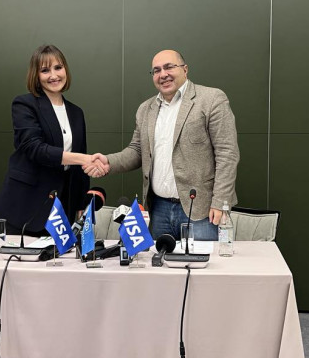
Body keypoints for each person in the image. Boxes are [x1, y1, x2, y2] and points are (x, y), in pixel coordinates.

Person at [87, 49, 239, 240]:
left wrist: (220, 202)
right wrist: (108, 162)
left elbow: (227, 153)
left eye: (169, 67)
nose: (163, 74)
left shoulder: (211, 99)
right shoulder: (145, 109)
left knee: (202, 260)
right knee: (159, 259)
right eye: (156, 70)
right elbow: (137, 151)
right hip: (158, 210)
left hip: (202, 210)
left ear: (185, 69)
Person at [0, 45, 95, 235]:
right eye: (45, 70)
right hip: (27, 208)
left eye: (58, 68)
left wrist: (81, 203)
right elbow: (35, 149)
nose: (53, 75)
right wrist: (84, 159)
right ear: (36, 75)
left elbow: (80, 165)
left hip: (63, 210)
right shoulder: (24, 104)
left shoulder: (76, 113)